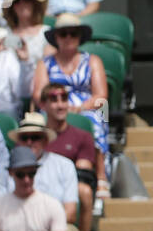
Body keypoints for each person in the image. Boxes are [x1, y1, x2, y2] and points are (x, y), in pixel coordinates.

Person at [32, 14, 110, 194]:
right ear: (56, 38)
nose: (68, 38)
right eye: (63, 34)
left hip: (86, 107)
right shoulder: (45, 64)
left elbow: (101, 96)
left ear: (79, 37)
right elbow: (39, 94)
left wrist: (81, 108)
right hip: (52, 107)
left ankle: (100, 176)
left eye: (73, 34)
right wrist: (57, 106)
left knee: (96, 121)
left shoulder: (92, 61)